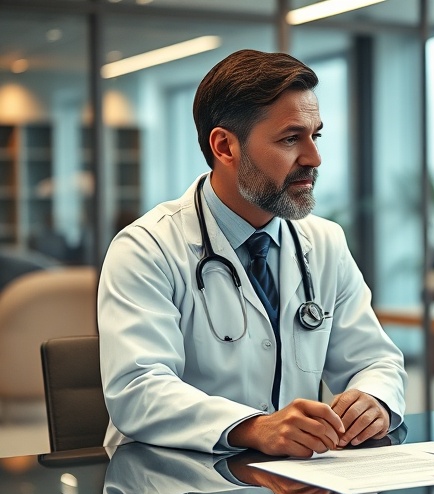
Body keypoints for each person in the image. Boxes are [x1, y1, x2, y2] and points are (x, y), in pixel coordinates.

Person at [99, 49, 407, 458]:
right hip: (169, 476)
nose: (314, 158)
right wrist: (255, 427)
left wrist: (373, 398)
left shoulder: (325, 242)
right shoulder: (146, 248)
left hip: (291, 477)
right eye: (290, 139)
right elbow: (138, 390)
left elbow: (375, 361)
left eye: (315, 136)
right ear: (225, 146)